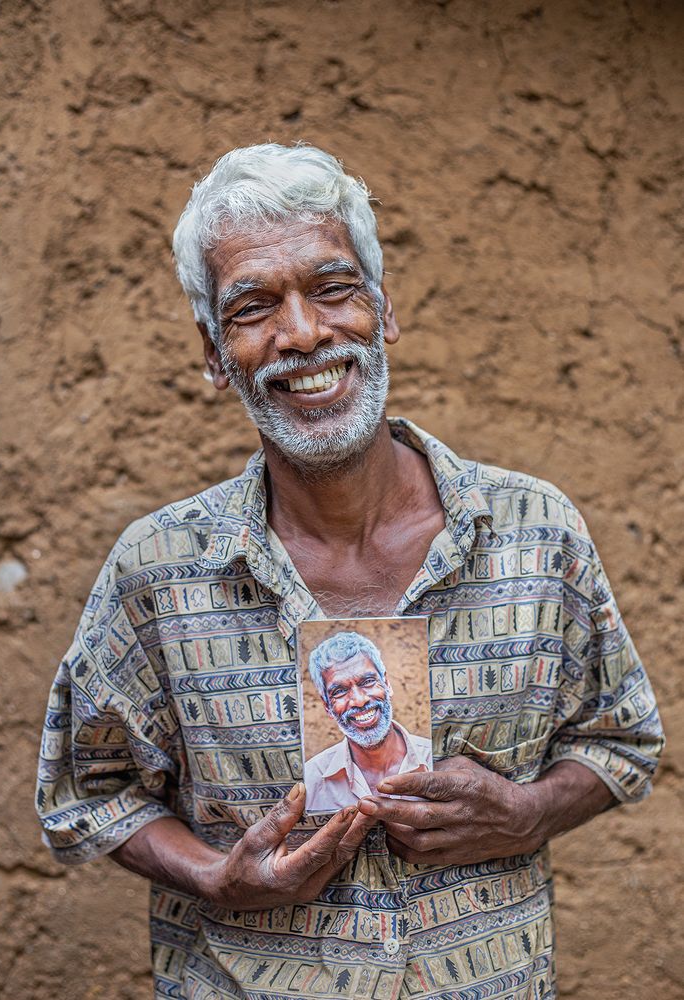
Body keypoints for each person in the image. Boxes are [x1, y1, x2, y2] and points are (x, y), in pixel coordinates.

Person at [36, 142, 664, 1000]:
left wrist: (529, 813)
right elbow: (89, 788)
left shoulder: (536, 533)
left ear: (383, 308)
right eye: (254, 307)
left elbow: (621, 737)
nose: (302, 333)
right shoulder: (158, 569)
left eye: (332, 289)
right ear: (216, 354)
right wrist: (217, 878)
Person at [303, 631, 432, 812]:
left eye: (368, 681)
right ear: (327, 707)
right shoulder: (311, 780)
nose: (359, 700)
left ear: (387, 684)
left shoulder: (435, 761)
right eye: (339, 691)